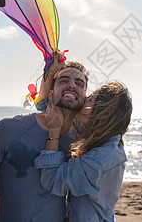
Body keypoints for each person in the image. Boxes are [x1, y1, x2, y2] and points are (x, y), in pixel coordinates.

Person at [0, 59, 89, 221]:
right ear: (50, 93)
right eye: (64, 80)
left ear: (85, 97)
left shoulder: (81, 142)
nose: (72, 85)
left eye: (79, 83)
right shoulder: (9, 128)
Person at [34, 81, 133, 222]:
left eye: (90, 99)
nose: (85, 98)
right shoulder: (105, 139)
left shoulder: (99, 159)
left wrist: (54, 131)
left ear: (103, 114)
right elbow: (56, 111)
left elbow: (52, 180)